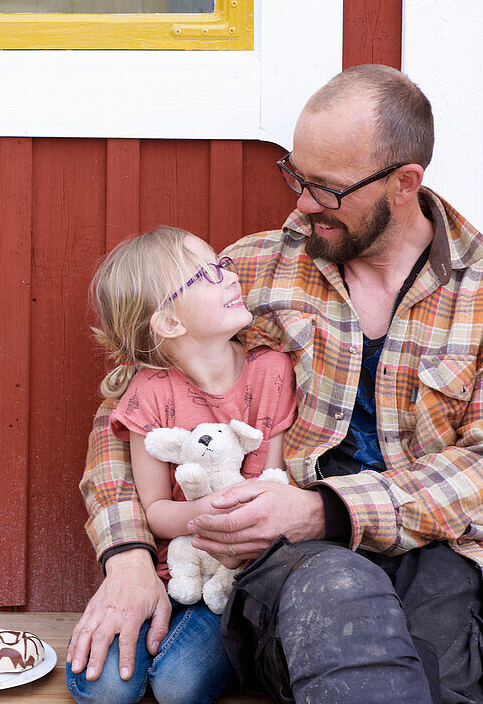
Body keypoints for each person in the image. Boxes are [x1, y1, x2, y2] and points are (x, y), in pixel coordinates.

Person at [67, 65, 483, 703]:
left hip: (436, 550)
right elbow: (126, 412)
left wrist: (329, 509)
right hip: (289, 564)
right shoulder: (258, 267)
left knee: (442, 676)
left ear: (405, 184)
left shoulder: (477, 295)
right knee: (335, 604)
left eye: (326, 188)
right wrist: (125, 553)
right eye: (297, 176)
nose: (301, 203)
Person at [65, 227, 296, 704]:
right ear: (169, 323)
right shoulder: (149, 395)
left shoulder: (272, 371)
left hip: (239, 579)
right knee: (104, 687)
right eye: (208, 275)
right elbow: (155, 511)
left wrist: (239, 526)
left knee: (177, 686)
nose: (230, 276)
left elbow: (274, 481)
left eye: (223, 265)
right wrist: (212, 514)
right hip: (174, 570)